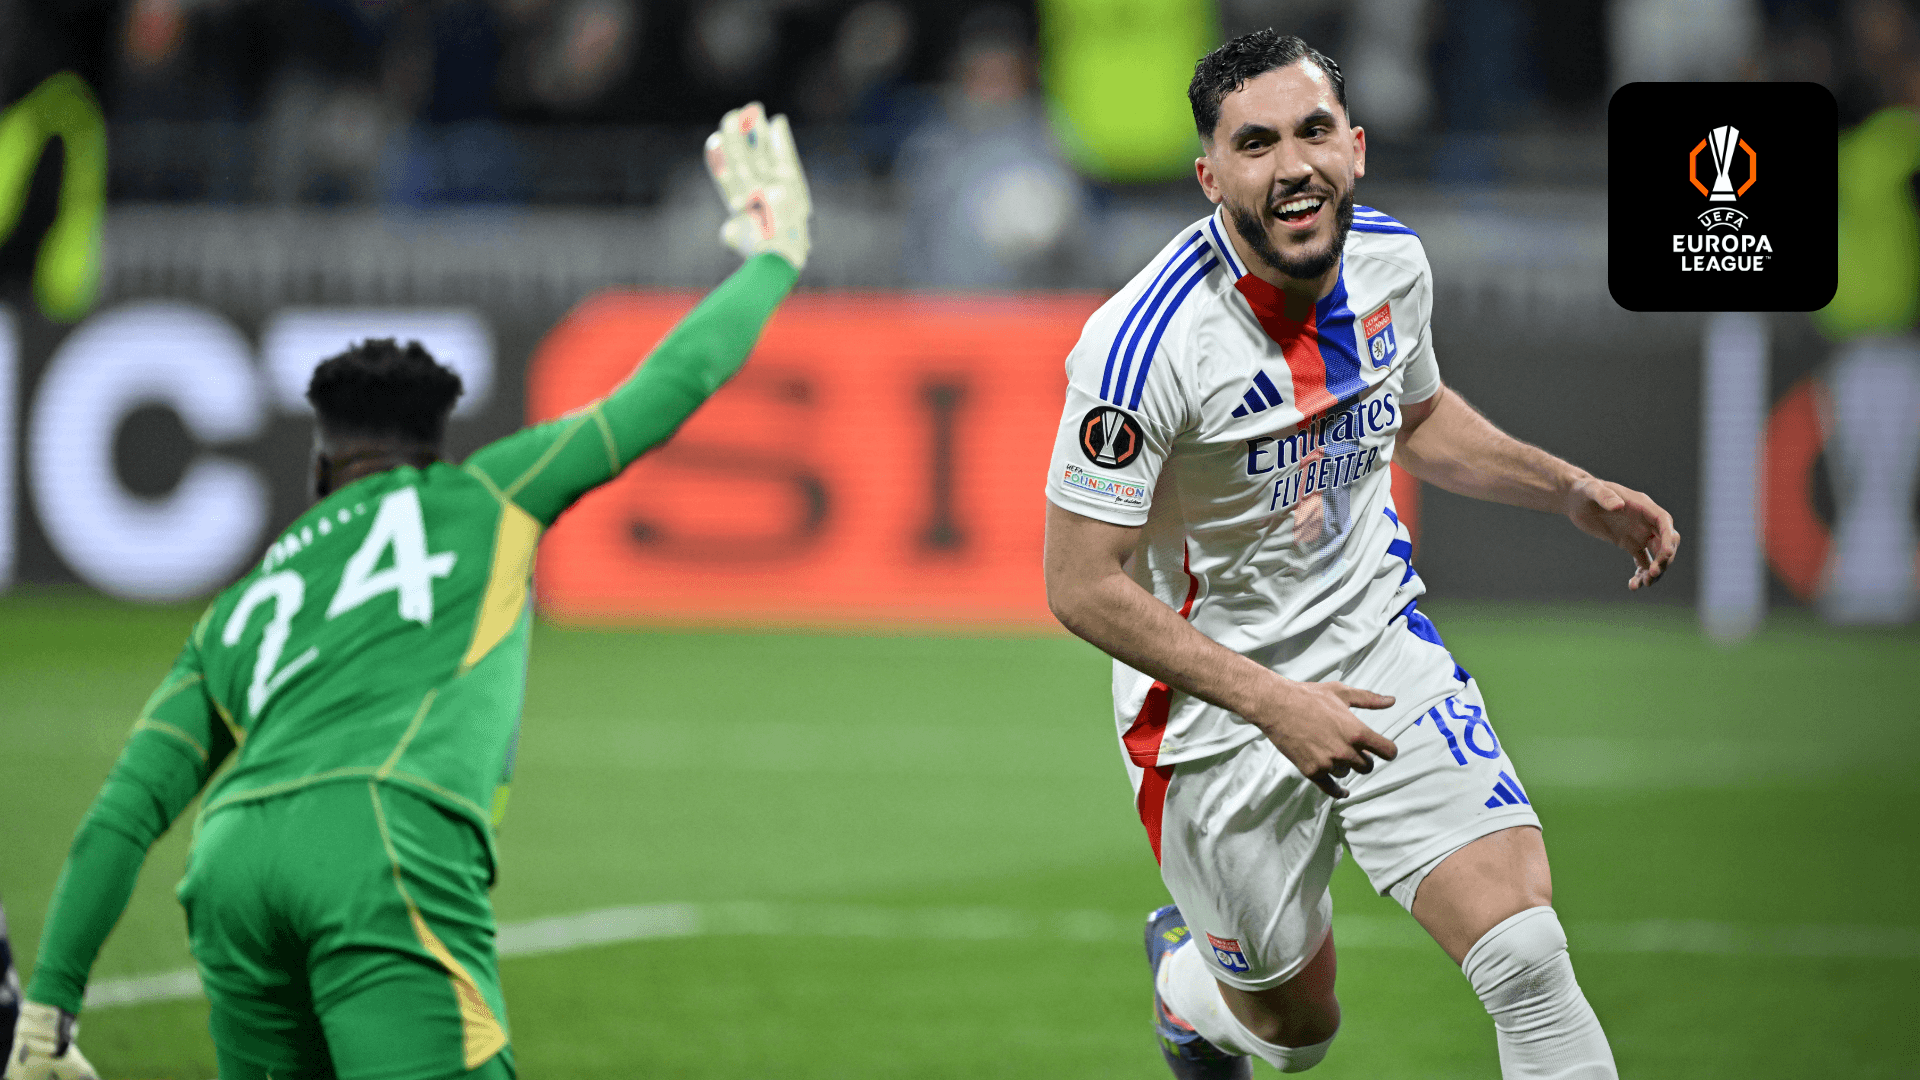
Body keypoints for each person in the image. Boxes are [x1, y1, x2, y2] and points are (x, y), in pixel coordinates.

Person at [5, 102, 811, 1080]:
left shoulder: (247, 602)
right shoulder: (483, 496)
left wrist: (46, 1010)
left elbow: (121, 816)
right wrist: (775, 256)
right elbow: (667, 385)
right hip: (382, 839)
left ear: (320, 466)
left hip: (228, 872)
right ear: (433, 447)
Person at [1041, 31, 1678, 1079]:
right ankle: (1187, 990)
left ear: (1357, 146)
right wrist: (1273, 701)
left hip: (1379, 646)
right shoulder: (1141, 347)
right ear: (1210, 177)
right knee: (1295, 1035)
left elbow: (1415, 417)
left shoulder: (1392, 262)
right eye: (1256, 144)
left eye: (1313, 131)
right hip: (1212, 717)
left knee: (1526, 957)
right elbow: (1078, 583)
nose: (1293, 165)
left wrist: (1566, 488)